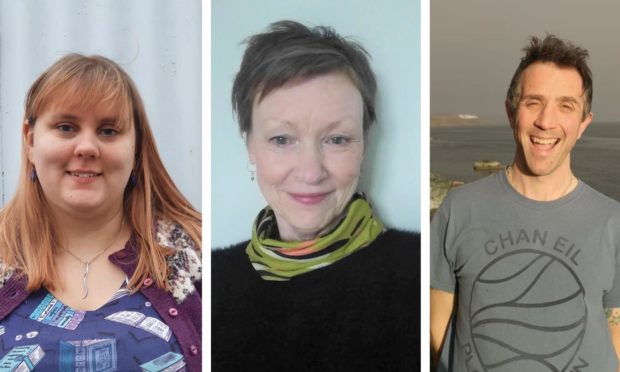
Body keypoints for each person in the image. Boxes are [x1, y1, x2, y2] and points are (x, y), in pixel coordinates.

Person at [211, 20, 420, 371]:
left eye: (337, 139)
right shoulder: (208, 285)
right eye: (282, 139)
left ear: (364, 145)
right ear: (250, 145)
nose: (311, 171)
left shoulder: (417, 273)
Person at [0, 54, 202, 371]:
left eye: (108, 131)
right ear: (30, 140)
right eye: (66, 127)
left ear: (135, 149)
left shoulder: (194, 258)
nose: (87, 147)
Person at [431, 35, 620, 371]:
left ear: (583, 124)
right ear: (511, 111)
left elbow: (616, 334)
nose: (546, 122)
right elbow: (438, 326)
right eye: (533, 102)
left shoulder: (613, 221)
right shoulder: (458, 209)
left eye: (566, 106)